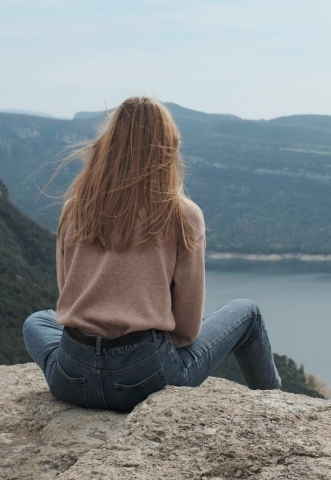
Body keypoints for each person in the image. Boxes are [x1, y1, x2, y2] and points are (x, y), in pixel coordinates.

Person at [22, 97, 281, 412]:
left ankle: (59, 371)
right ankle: (276, 404)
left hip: (73, 377)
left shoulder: (75, 208)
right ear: (167, 148)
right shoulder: (182, 215)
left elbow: (69, 297)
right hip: (142, 380)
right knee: (248, 312)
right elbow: (186, 330)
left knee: (37, 321)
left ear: (109, 144)